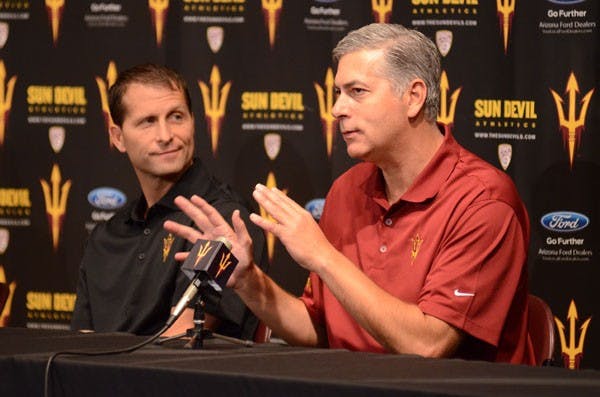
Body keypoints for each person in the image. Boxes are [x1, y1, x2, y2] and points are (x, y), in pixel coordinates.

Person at [164, 24, 534, 364]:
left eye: (357, 92)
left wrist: (323, 256)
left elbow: (428, 345)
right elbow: (318, 329)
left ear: (414, 96)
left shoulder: (483, 201)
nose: (337, 109)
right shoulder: (347, 189)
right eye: (338, 93)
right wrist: (247, 280)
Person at [71, 63, 267, 339]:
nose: (165, 136)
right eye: (148, 121)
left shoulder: (221, 224)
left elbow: (182, 339)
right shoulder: (105, 238)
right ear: (118, 137)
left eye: (176, 117)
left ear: (193, 122)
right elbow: (81, 340)